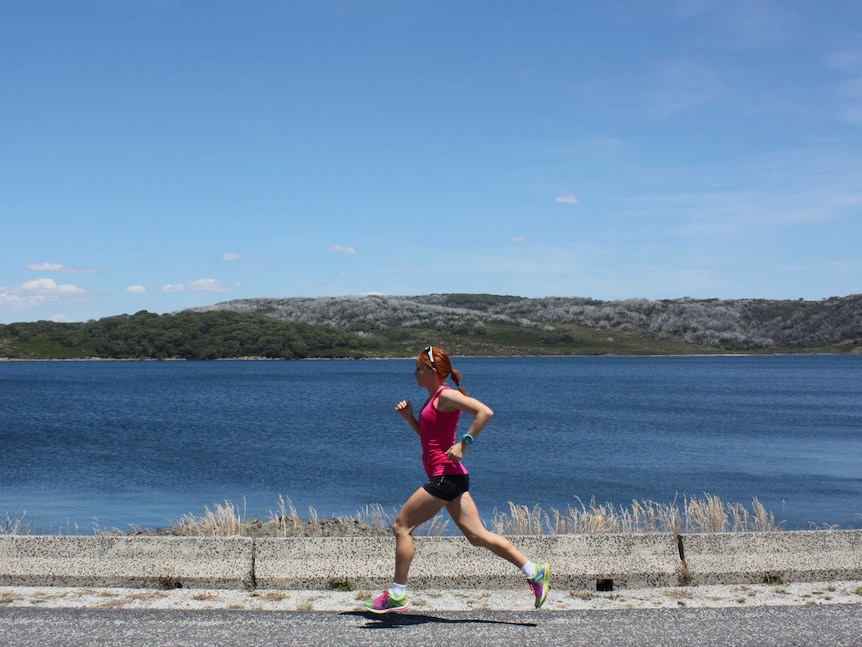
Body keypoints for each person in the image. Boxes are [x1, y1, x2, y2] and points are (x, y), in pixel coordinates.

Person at [364, 345, 550, 614]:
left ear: (433, 372)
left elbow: (485, 412)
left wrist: (465, 443)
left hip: (444, 478)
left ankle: (397, 593)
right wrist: (410, 419)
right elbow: (431, 441)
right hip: (453, 478)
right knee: (477, 536)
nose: (414, 373)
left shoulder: (446, 395)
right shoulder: (433, 399)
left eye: (418, 368)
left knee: (401, 526)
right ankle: (534, 571)